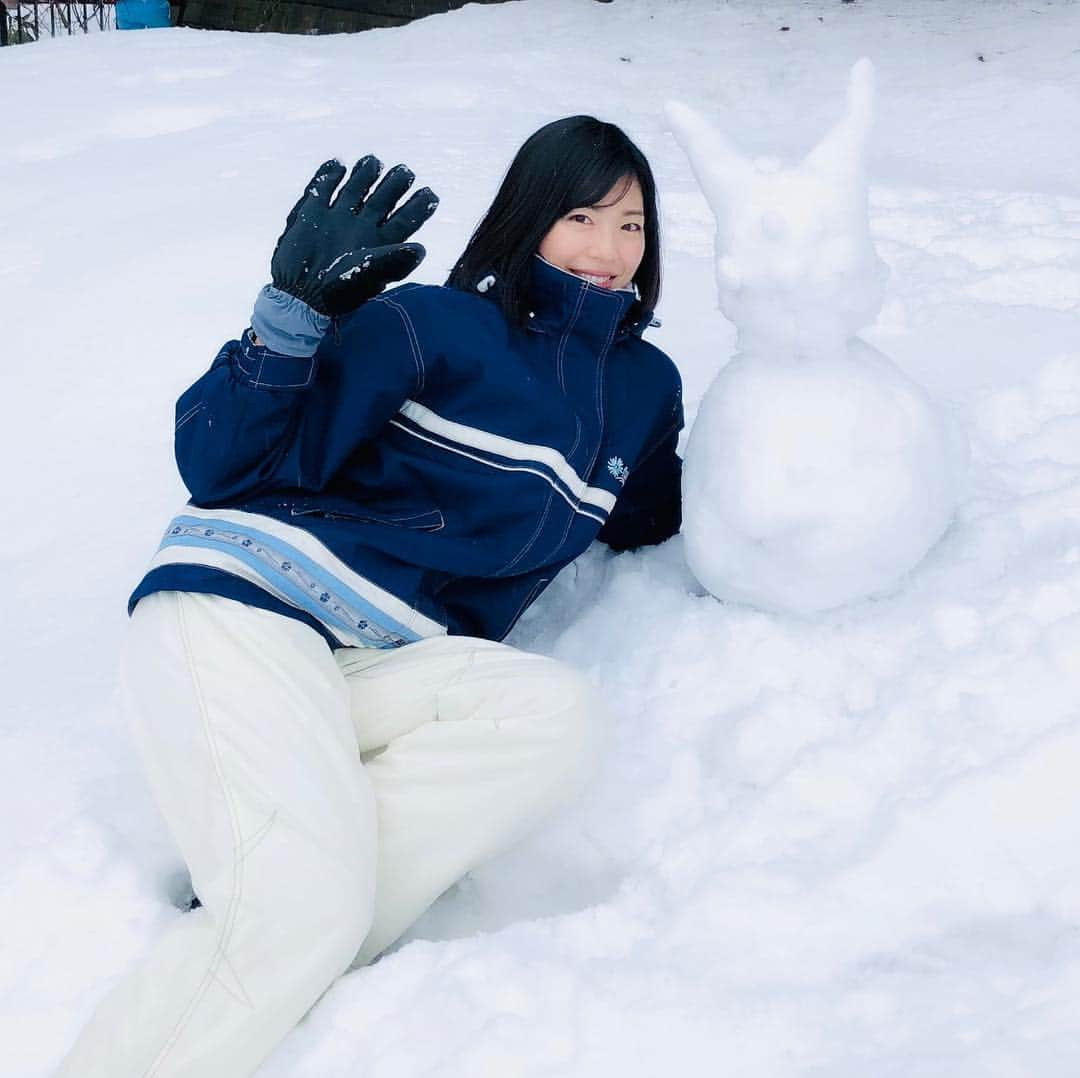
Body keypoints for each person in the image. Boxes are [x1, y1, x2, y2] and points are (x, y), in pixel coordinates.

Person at [58, 115, 683, 1077]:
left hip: (381, 667)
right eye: (581, 217)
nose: (609, 251)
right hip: (251, 609)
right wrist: (290, 321)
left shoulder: (643, 389)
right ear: (528, 220)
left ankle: (273, 886)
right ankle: (280, 903)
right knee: (303, 909)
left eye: (633, 225)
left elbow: (657, 513)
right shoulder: (431, 324)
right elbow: (223, 465)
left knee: (554, 715)